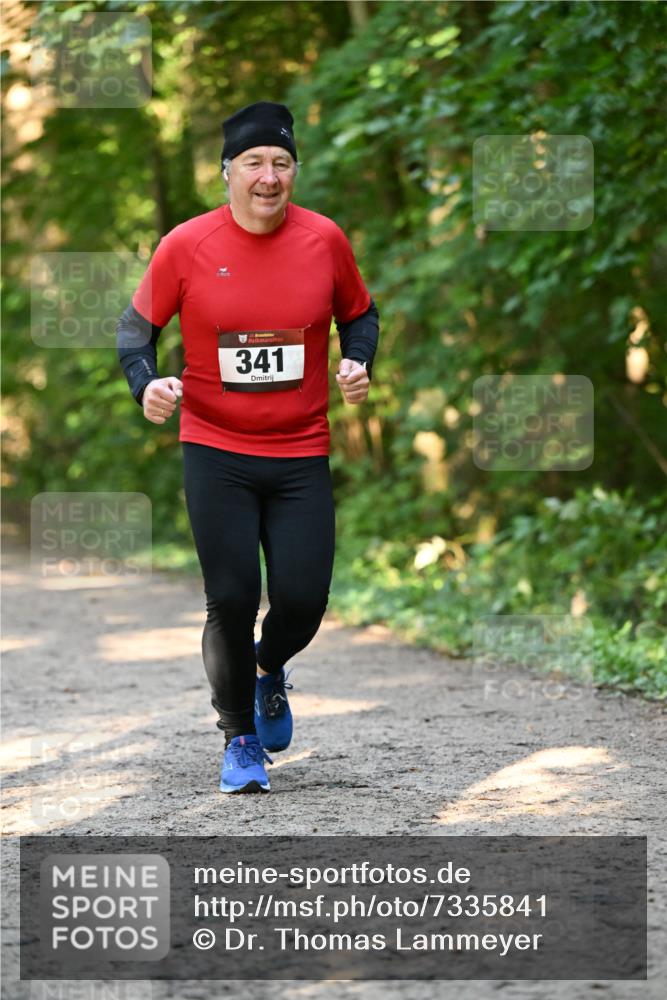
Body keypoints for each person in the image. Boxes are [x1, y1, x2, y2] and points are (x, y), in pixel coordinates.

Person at [117, 101, 379, 794]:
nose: (269, 177)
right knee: (230, 597)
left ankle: (267, 666)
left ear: (295, 171)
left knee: (304, 600)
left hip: (300, 452)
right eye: (254, 163)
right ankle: (238, 737)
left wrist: (357, 362)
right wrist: (147, 385)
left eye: (282, 163)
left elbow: (359, 314)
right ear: (227, 171)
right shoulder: (186, 245)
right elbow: (134, 331)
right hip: (216, 450)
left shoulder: (324, 239)